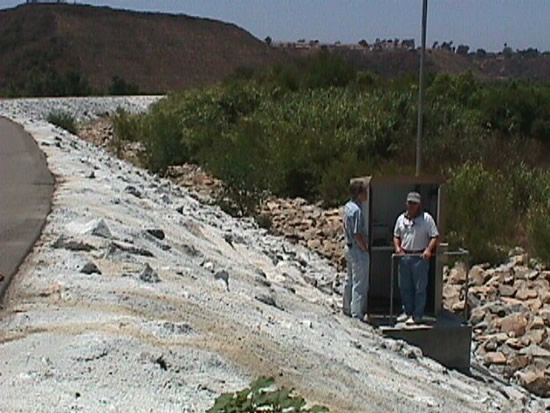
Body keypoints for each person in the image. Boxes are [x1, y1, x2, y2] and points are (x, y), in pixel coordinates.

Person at [393, 191, 439, 325]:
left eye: (414, 203)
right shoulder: (401, 219)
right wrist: (397, 248)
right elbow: (396, 235)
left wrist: (428, 250)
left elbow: (434, 236)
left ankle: (418, 314)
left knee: (420, 288)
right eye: (409, 203)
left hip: (420, 257)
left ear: (419, 205)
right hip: (405, 256)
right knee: (405, 287)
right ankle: (407, 311)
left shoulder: (427, 219)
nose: (411, 206)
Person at [343, 180, 370, 321]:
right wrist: (365, 247)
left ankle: (347, 307)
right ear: (359, 194)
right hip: (357, 249)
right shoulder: (357, 211)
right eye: (365, 192)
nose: (367, 195)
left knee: (350, 279)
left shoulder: (347, 207)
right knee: (360, 282)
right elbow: (357, 233)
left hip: (348, 247)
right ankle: (357, 314)